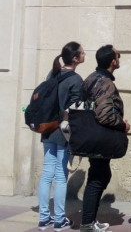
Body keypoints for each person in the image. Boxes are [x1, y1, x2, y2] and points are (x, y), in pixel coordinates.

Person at [80, 45, 129, 232]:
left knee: (99, 175)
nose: (120, 58)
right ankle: (87, 223)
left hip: (91, 135)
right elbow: (105, 115)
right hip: (100, 137)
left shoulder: (91, 78)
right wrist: (123, 124)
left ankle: (90, 220)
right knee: (97, 177)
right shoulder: (105, 83)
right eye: (118, 55)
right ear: (112, 61)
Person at [37, 42, 86, 231]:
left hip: (47, 129)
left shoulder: (52, 74)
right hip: (64, 132)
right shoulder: (75, 79)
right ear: (75, 58)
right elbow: (76, 108)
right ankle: (59, 219)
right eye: (82, 53)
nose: (84, 54)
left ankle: (44, 218)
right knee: (60, 174)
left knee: (47, 173)